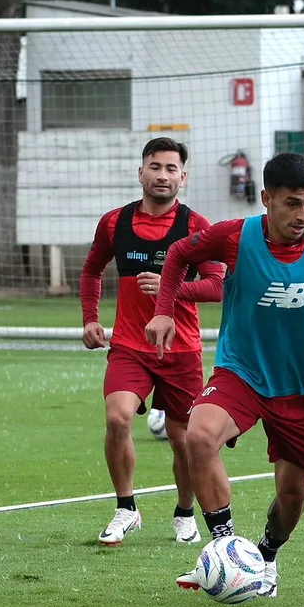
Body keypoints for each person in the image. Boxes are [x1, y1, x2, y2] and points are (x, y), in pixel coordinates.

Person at [145, 152, 304, 598]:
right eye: (292, 203)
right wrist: (164, 311)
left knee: (293, 495)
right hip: (243, 371)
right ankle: (226, 550)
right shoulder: (235, 236)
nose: (303, 214)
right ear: (266, 199)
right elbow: (178, 254)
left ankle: (266, 556)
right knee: (199, 436)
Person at [80, 137, 225, 547]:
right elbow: (92, 271)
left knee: (183, 440)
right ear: (141, 172)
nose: (163, 175)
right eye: (155, 167)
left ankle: (184, 513)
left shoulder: (197, 227)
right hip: (129, 346)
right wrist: (90, 318)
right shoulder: (114, 223)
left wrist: (171, 287)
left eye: (171, 169)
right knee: (117, 419)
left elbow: (217, 285)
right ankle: (126, 508)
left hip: (182, 350)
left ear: (183, 177)